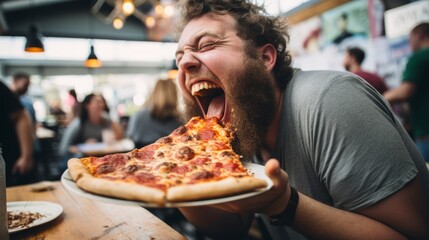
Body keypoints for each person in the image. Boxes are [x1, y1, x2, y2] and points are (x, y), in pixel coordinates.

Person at [174, 1, 429, 239]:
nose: (185, 63)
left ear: (264, 58)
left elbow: (410, 235)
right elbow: (233, 227)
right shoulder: (240, 127)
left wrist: (284, 204)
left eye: (206, 45)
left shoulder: (331, 100)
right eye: (179, 57)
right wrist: (174, 186)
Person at [384, 22, 429, 163]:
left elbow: (405, 91)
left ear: (420, 36)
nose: (410, 44)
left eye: (411, 40)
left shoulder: (419, 58)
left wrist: (381, 98)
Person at [58, 93, 123, 171]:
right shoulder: (79, 123)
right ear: (87, 105)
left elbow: (120, 137)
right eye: (97, 102)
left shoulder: (105, 120)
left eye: (102, 102)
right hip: (78, 161)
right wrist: (83, 147)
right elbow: (63, 149)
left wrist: (111, 119)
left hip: (97, 160)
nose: (101, 105)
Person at [127, 79, 183, 148]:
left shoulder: (138, 115)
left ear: (153, 92)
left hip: (141, 156)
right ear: (174, 95)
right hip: (171, 156)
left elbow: (131, 136)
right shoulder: (180, 120)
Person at [0, 80, 34, 186]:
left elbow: (21, 116)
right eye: (25, 84)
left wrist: (26, 156)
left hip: (8, 160)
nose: (26, 88)